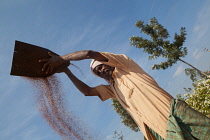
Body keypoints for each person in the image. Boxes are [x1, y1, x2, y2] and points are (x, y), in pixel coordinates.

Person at [39, 50, 210, 140]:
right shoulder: (114, 89)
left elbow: (90, 54)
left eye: (102, 65)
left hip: (175, 116)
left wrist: (61, 58)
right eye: (97, 71)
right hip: (159, 132)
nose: (102, 69)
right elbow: (87, 92)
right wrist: (66, 70)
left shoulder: (127, 69)